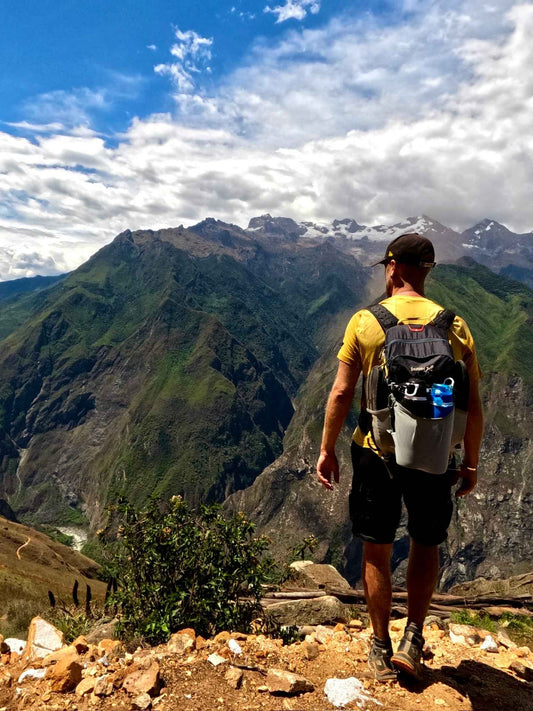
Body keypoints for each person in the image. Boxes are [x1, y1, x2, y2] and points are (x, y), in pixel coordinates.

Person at [316, 233, 484, 681]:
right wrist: (469, 462)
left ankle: (379, 645)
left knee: (377, 546)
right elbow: (473, 406)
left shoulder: (366, 322)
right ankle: (414, 636)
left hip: (377, 452)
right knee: (427, 542)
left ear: (391, 267)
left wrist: (327, 449)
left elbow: (341, 392)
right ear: (427, 270)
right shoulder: (454, 326)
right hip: (436, 453)